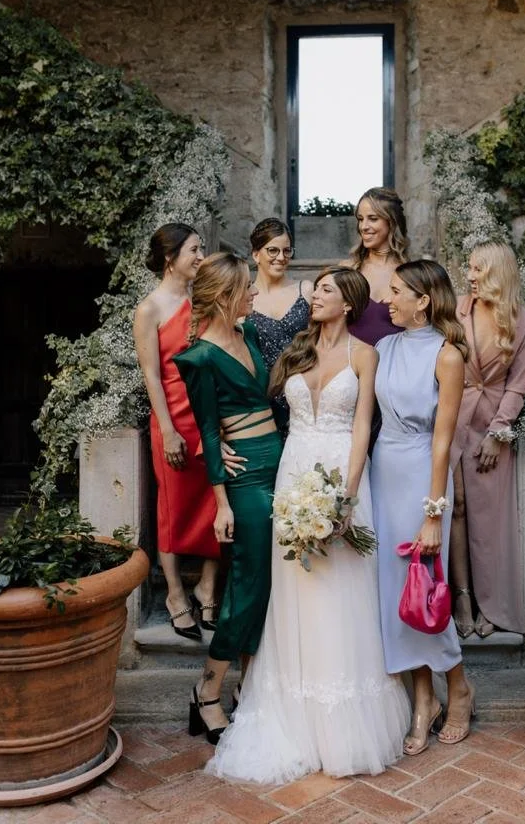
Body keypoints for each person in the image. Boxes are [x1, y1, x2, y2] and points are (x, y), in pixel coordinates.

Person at [210, 267, 410, 782]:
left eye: (324, 290)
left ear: (348, 304)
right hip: (293, 470)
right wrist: (222, 440)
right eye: (316, 289)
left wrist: (348, 495)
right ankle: (293, 711)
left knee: (342, 588)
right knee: (295, 587)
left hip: (342, 473)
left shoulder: (365, 355)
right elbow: (248, 400)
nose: (314, 297)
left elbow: (363, 425)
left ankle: (341, 720)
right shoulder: (294, 351)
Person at [173, 253, 283, 743]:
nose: (255, 293)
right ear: (224, 296)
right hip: (243, 481)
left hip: (278, 463)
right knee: (246, 585)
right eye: (246, 287)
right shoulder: (198, 358)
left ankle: (248, 686)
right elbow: (207, 430)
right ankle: (208, 691)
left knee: (270, 585)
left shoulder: (250, 334)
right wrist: (221, 503)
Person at [371, 259, 475, 752]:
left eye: (396, 292)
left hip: (421, 475)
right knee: (399, 591)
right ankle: (423, 698)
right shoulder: (383, 347)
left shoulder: (447, 355)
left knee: (426, 587)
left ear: (423, 301)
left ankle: (458, 687)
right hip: (382, 471)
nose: (386, 299)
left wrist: (433, 514)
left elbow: (443, 441)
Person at [133, 223, 219, 642]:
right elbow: (151, 374)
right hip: (172, 417)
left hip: (207, 415)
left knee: (215, 501)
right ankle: (174, 594)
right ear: (171, 258)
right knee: (172, 507)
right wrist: (167, 430)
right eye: (194, 250)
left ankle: (207, 587)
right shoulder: (148, 309)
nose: (201, 257)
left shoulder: (203, 301)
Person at [450, 242, 525, 640]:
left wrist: (497, 434)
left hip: (490, 427)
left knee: (489, 520)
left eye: (478, 270)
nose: (470, 276)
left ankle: (492, 606)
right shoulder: (457, 310)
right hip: (451, 419)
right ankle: (461, 600)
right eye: (469, 268)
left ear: (498, 273)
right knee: (453, 508)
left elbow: (518, 385)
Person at [247, 217, 312, 435]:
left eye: (286, 251)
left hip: (302, 395)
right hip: (261, 401)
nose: (281, 258)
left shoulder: (306, 290)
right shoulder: (244, 298)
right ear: (256, 254)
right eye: (272, 250)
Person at [344, 186, 409, 346]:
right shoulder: (347, 269)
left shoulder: (411, 273)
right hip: (351, 359)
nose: (363, 226)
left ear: (391, 222)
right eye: (360, 219)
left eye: (373, 218)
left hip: (397, 359)